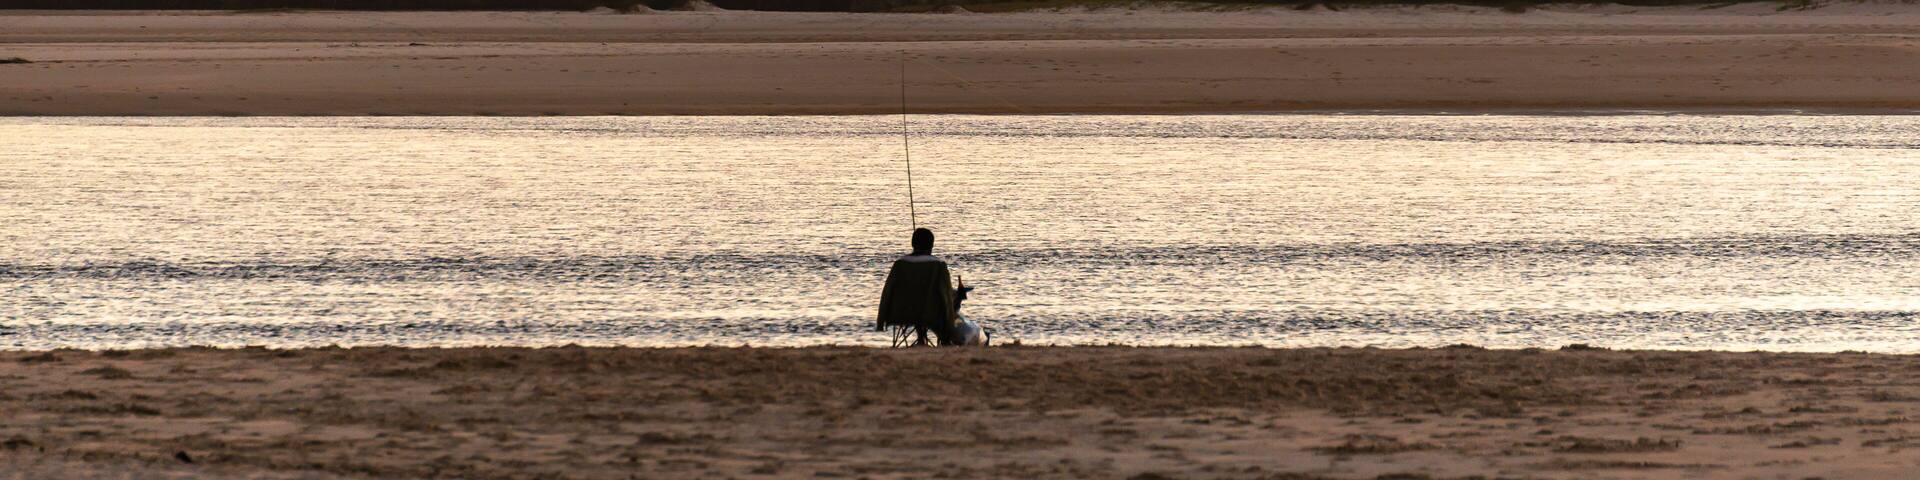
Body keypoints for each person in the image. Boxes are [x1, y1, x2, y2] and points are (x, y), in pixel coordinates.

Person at [876, 228, 961, 346]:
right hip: (931, 314)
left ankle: (921, 339)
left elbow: (887, 293)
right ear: (932, 245)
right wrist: (950, 324)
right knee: (954, 297)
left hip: (899, 314)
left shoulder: (899, 264)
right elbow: (945, 296)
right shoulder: (938, 265)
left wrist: (880, 322)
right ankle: (945, 340)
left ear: (912, 244)